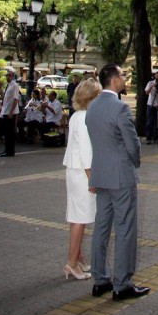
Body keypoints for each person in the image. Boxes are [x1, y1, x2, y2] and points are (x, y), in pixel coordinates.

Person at [86, 64, 150, 301]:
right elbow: (132, 143)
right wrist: (135, 161)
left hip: (101, 174)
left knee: (101, 228)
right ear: (114, 80)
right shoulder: (120, 108)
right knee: (125, 229)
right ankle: (122, 284)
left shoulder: (92, 107)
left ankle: (100, 279)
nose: (125, 78)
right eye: (122, 75)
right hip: (121, 176)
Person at [63, 78, 102, 280]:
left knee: (76, 217)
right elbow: (86, 152)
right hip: (82, 173)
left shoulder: (76, 115)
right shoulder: (86, 118)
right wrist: (92, 178)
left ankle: (78, 258)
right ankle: (71, 263)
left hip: (73, 170)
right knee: (80, 219)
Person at [0, 71, 20, 157]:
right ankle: (6, 149)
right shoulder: (8, 85)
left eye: (9, 76)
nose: (7, 77)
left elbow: (15, 99)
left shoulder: (14, 85)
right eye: (6, 76)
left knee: (10, 133)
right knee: (6, 132)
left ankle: (10, 151)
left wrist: (11, 112)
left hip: (10, 112)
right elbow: (5, 98)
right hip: (5, 111)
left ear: (12, 76)